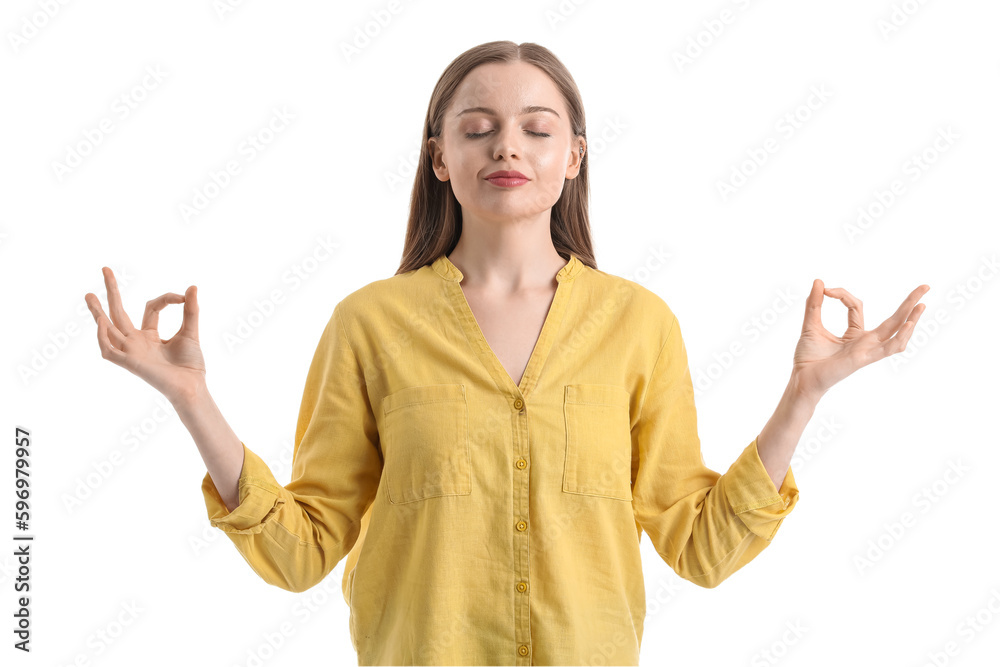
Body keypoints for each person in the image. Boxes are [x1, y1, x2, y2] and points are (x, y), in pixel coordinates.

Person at [84, 40, 930, 666]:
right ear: (440, 159)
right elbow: (300, 549)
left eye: (536, 127)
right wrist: (190, 397)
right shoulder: (370, 324)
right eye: (479, 128)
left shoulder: (641, 324)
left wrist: (805, 394)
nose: (508, 147)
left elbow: (702, 547)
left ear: (574, 157)